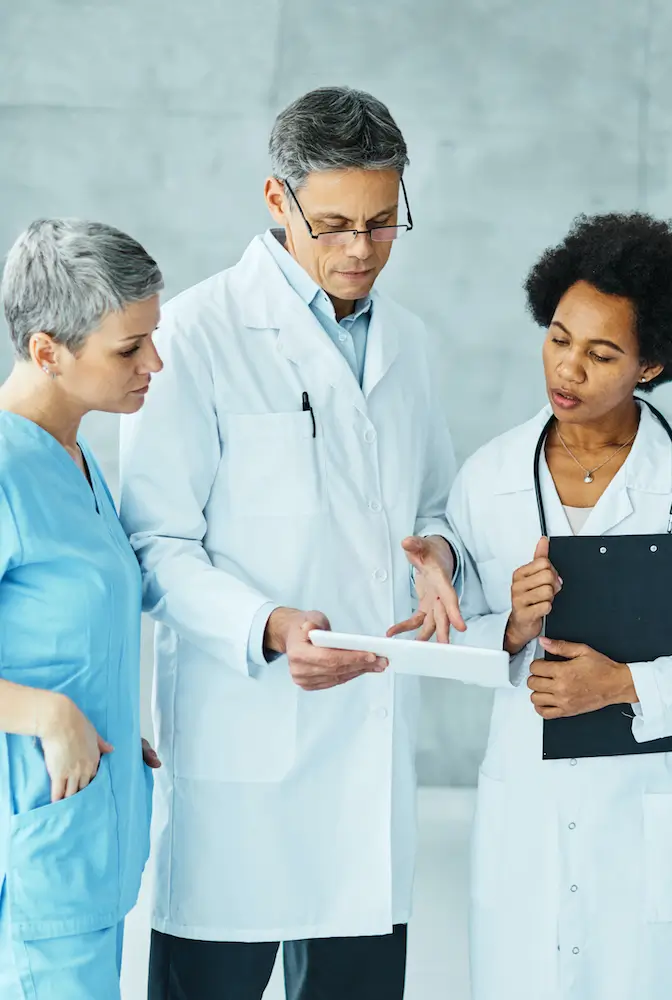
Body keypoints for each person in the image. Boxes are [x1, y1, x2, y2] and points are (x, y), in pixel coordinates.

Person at [119, 86, 464, 1000]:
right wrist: (266, 625)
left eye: (384, 223)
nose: (359, 250)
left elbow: (430, 501)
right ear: (277, 203)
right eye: (335, 224)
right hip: (248, 739)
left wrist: (437, 550)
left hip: (369, 741)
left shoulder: (411, 344)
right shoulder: (194, 334)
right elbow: (154, 541)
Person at [445, 212, 672, 1000]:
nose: (567, 369)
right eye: (557, 337)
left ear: (649, 364)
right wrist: (513, 628)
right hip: (529, 812)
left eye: (600, 353)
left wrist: (626, 687)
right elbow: (453, 640)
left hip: (650, 809)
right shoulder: (487, 479)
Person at [0, 218, 164, 1000]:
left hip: (87, 830)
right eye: (128, 348)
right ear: (46, 351)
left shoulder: (77, 458)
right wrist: (48, 714)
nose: (153, 363)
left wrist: (102, 716)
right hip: (35, 852)